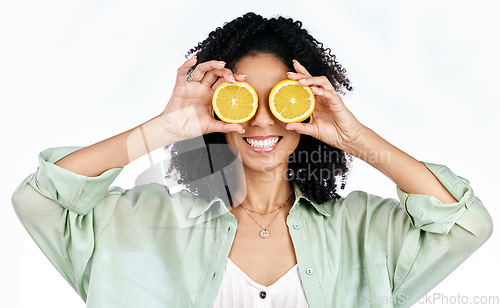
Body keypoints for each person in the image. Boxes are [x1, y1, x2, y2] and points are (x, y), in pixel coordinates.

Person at [12, 12, 493, 308]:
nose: (262, 121)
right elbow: (39, 200)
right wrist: (163, 129)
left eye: (281, 100)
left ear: (307, 105)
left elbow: (466, 223)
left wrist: (356, 136)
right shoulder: (141, 223)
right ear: (216, 111)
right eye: (242, 100)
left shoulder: (363, 230)